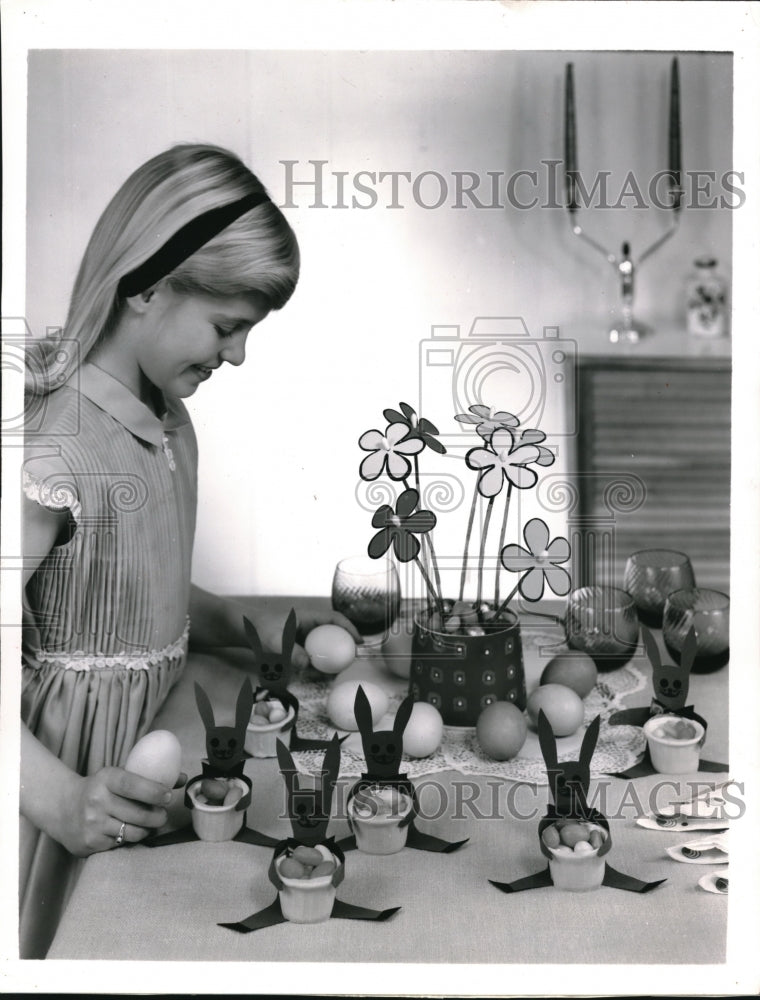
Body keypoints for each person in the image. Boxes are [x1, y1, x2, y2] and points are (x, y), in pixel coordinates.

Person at [20, 143, 359, 958]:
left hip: (154, 755)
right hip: (67, 787)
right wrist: (59, 798)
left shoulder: (169, 422)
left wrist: (250, 624)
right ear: (145, 286)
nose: (237, 354)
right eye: (227, 326)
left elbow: (137, 593)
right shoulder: (52, 448)